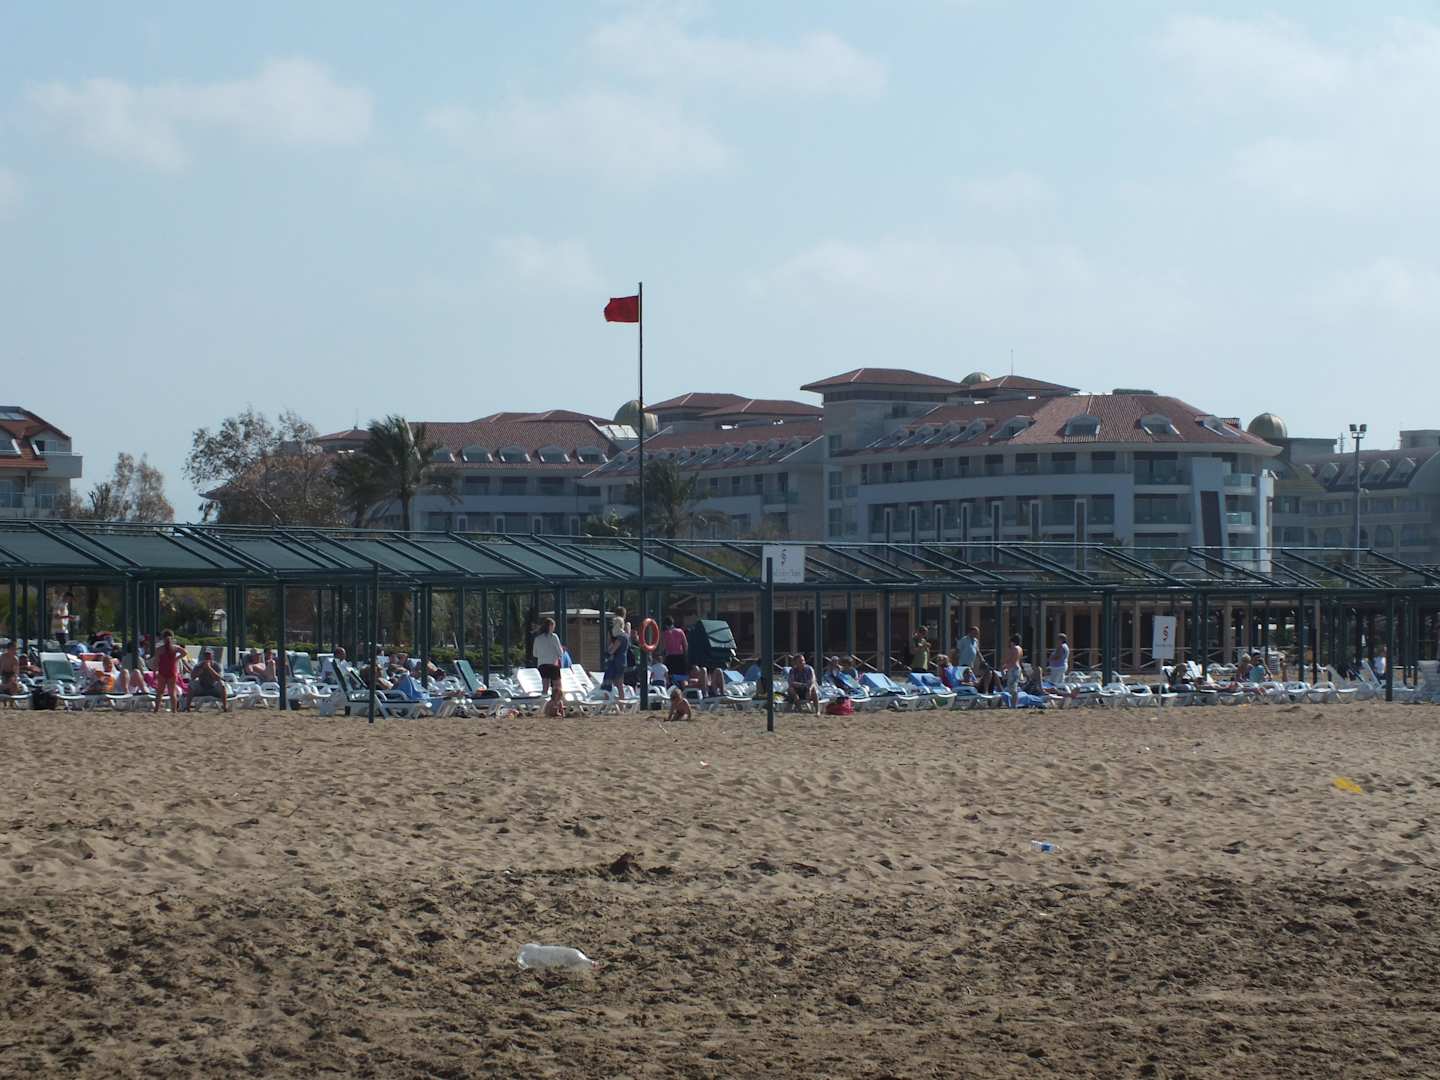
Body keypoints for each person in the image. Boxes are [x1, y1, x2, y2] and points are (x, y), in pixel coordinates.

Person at [151, 630, 187, 713]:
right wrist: (177, 658)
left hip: (162, 671)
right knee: (172, 692)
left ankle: (156, 709)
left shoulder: (159, 649)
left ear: (163, 638)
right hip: (172, 671)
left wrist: (154, 673)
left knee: (160, 692)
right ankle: (174, 710)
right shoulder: (175, 648)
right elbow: (185, 652)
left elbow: (156, 662)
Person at [532, 617, 565, 699]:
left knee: (545, 686)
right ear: (551, 626)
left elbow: (535, 654)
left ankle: (544, 701)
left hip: (542, 665)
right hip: (553, 664)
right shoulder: (554, 637)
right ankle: (557, 701)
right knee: (557, 687)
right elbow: (560, 652)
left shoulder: (537, 638)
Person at [661, 617, 688, 682]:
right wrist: (685, 655)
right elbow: (685, 644)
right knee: (681, 676)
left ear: (666, 625)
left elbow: (664, 647)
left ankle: (673, 686)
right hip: (680, 656)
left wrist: (662, 655)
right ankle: (682, 686)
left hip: (670, 656)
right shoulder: (680, 631)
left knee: (671, 675)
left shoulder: (665, 633)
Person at [1001, 635, 1024, 705]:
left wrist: (1005, 667)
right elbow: (1019, 660)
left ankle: (1013, 704)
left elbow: (1012, 660)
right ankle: (1014, 703)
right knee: (1014, 687)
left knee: (1012, 688)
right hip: (1018, 669)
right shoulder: (1020, 649)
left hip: (1013, 669)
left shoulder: (1014, 649)